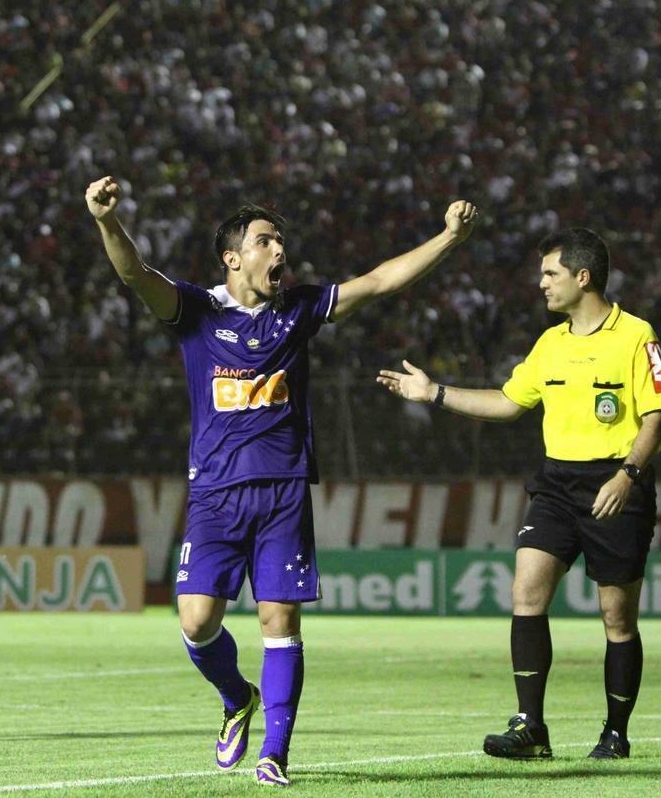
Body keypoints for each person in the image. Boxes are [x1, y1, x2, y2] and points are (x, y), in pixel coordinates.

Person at [87, 174, 477, 785]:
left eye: (281, 243)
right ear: (233, 257)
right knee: (194, 621)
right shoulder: (196, 311)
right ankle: (238, 698)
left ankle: (276, 752)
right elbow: (136, 274)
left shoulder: (297, 308)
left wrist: (448, 238)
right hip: (214, 494)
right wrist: (108, 221)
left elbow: (378, 281)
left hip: (282, 490)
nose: (280, 253)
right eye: (267, 242)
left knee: (280, 623)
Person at [377, 227, 661, 760]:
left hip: (617, 484)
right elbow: (508, 403)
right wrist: (435, 392)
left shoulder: (636, 335)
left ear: (582, 277)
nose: (540, 283)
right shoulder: (550, 343)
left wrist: (627, 475)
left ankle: (615, 733)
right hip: (557, 485)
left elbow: (656, 418)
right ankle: (530, 727)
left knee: (616, 619)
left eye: (550, 273)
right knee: (526, 592)